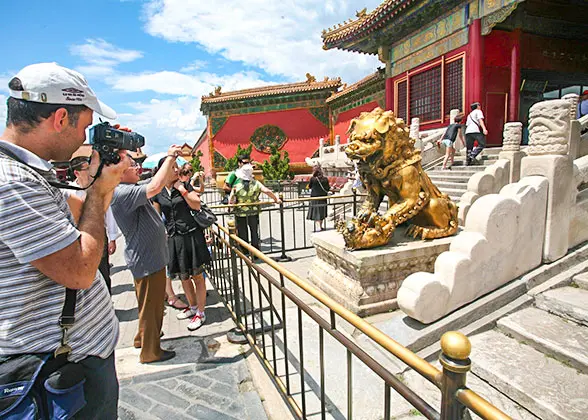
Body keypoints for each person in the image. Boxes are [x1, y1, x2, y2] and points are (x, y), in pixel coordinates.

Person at [0, 62, 129, 419]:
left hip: (73, 354)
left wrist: (93, 179)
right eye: (85, 127)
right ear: (59, 118)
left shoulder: (26, 170)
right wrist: (101, 192)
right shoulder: (13, 183)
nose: (83, 140)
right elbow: (80, 272)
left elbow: (60, 224)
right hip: (60, 368)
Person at [110, 146, 183, 364]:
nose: (137, 168)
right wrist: (169, 156)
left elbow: (158, 182)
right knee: (153, 307)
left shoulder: (129, 188)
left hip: (148, 256)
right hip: (147, 257)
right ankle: (151, 352)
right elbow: (155, 186)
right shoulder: (122, 192)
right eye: (132, 165)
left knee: (147, 304)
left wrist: (171, 163)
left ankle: (142, 338)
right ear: (119, 172)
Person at [152, 158, 211, 331]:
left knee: (197, 276)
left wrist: (182, 189)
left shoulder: (184, 186)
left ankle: (201, 312)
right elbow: (157, 216)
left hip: (191, 236)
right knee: (183, 276)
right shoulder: (158, 191)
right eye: (172, 167)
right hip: (173, 238)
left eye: (177, 166)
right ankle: (192, 307)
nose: (176, 170)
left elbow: (196, 203)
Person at [68, 156, 122, 293]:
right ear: (77, 173)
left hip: (98, 234)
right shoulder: (68, 191)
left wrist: (112, 238)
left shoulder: (98, 188)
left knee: (103, 272)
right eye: (88, 169)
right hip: (76, 237)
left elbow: (109, 214)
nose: (93, 172)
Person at [229, 163, 281, 253]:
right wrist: (275, 199)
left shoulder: (236, 186)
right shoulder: (256, 183)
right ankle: (256, 252)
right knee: (254, 232)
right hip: (253, 211)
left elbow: (231, 200)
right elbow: (267, 191)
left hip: (240, 212)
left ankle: (244, 252)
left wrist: (230, 207)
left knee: (242, 232)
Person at [306, 166, 330, 231]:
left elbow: (310, 186)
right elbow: (328, 188)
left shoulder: (313, 179)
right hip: (323, 197)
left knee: (316, 213)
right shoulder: (325, 179)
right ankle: (320, 226)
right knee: (321, 213)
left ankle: (318, 226)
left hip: (314, 198)